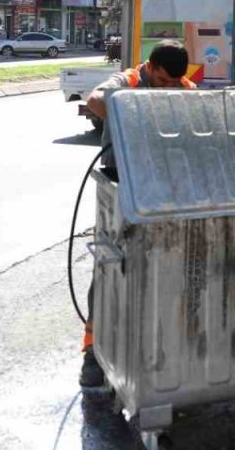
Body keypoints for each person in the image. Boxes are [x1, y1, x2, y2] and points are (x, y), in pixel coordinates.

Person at [79, 39, 196, 387]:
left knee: (167, 269)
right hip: (122, 186)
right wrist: (134, 113)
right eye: (163, 81)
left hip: (163, 187)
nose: (169, 88)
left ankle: (162, 348)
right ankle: (93, 355)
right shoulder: (127, 81)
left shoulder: (183, 87)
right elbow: (95, 101)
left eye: (175, 82)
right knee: (109, 269)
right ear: (151, 67)